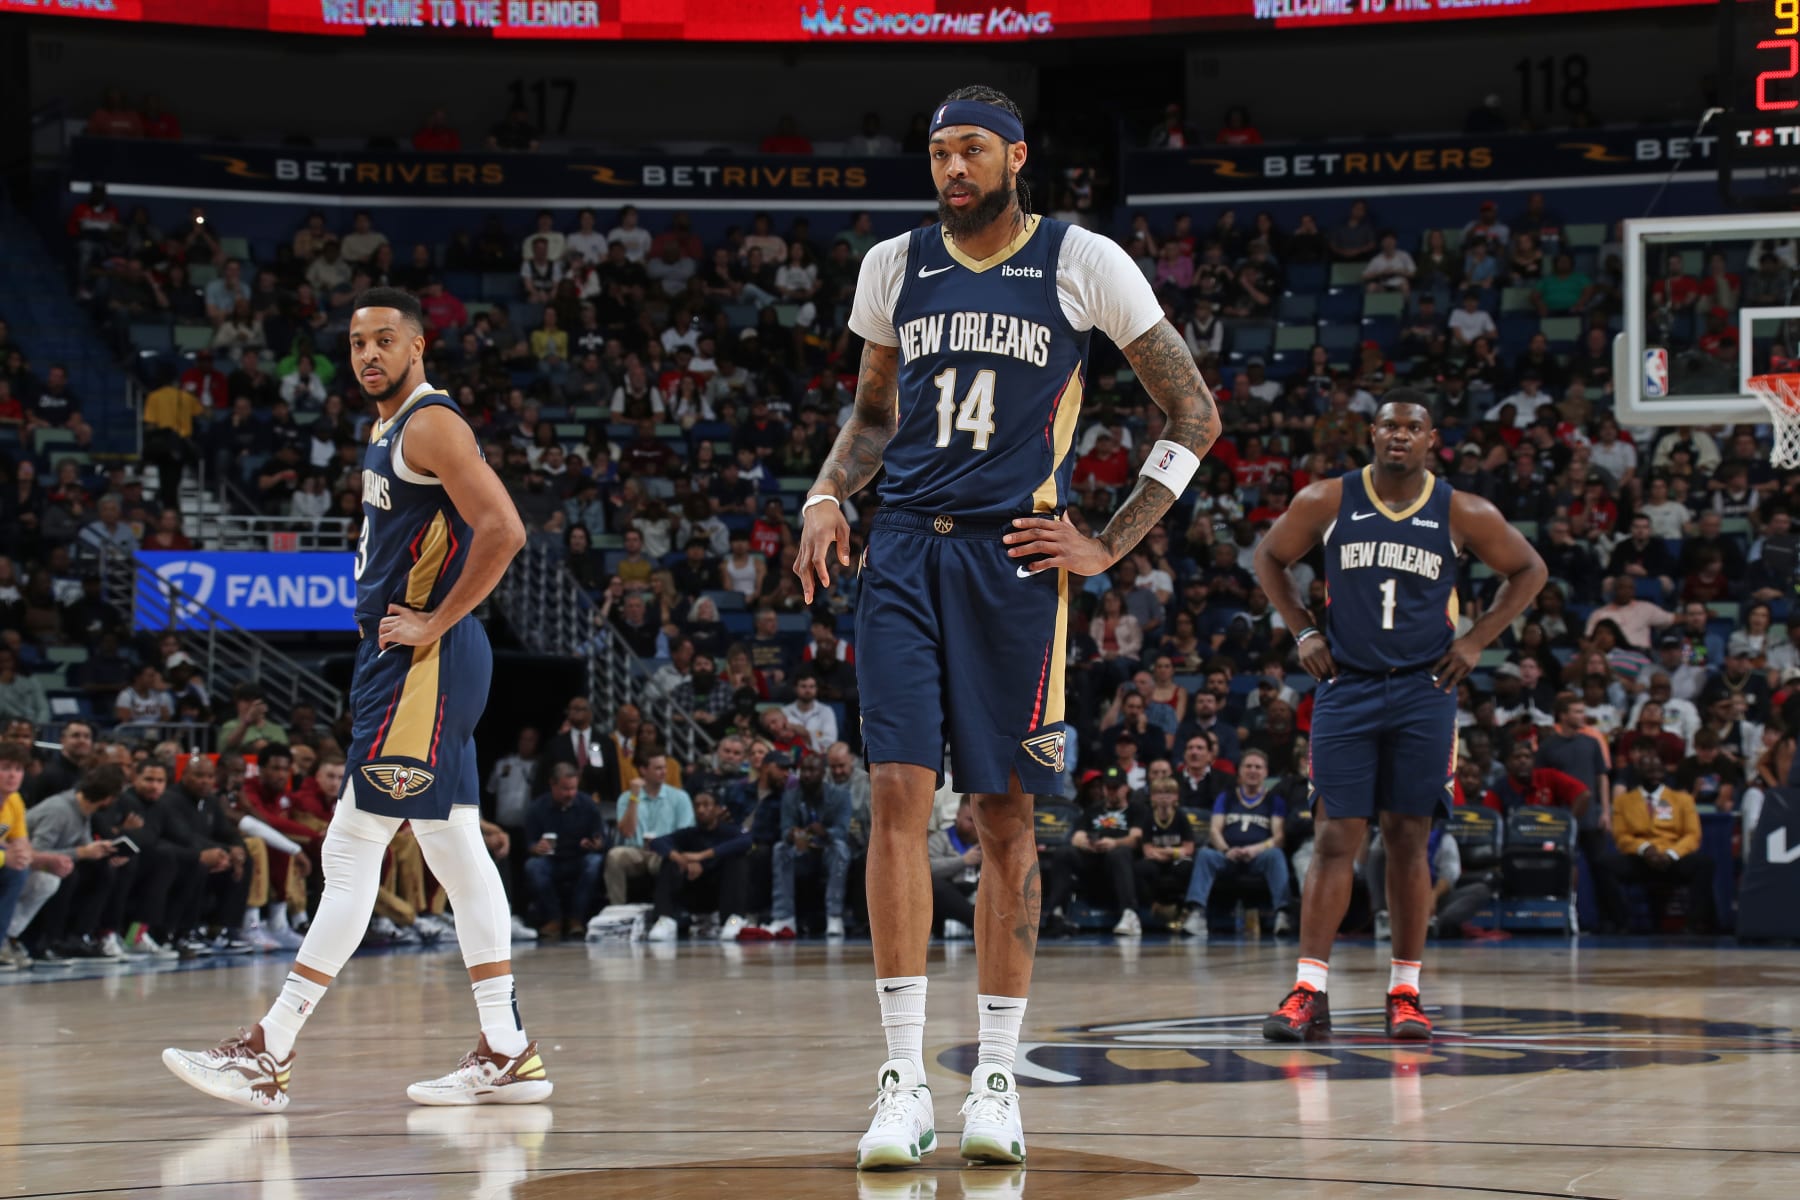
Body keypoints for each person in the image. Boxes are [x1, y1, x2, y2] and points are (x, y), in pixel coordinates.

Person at [795, 85, 1218, 1169]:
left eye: (971, 151)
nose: (951, 171)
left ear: (1016, 157)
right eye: (939, 154)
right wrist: (825, 494)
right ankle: (900, 1082)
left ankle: (993, 1078)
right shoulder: (893, 263)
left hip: (1015, 558)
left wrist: (1112, 542)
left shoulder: (1083, 260)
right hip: (900, 550)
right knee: (895, 790)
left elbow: (1195, 413)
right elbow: (875, 414)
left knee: (1002, 816)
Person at [163, 287, 551, 1112]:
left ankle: (269, 1049)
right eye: (355, 343)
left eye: (384, 341)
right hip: (415, 661)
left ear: (417, 347)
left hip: (424, 663)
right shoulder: (386, 427)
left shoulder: (429, 423)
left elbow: (506, 530)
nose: (368, 354)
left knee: (349, 852)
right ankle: (508, 1049)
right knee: (453, 850)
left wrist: (437, 620)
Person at [1256, 392, 1546, 1045]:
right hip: (1346, 685)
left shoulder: (1462, 510)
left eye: (1413, 426)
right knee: (1335, 839)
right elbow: (1269, 558)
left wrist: (1475, 640)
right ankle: (1309, 991)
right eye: (1390, 424)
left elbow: (1529, 570)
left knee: (1410, 839)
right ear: (1373, 433)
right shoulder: (1326, 500)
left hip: (1424, 689)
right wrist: (1302, 630)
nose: (1399, 435)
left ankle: (1405, 993)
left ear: (1430, 439)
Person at [1180, 749, 1289, 939]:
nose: (1253, 771)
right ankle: (1196, 913)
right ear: (1239, 770)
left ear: (1265, 772)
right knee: (1205, 854)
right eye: (1248, 766)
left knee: (1276, 854)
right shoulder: (1227, 797)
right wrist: (1226, 850)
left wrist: (1255, 850)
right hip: (1228, 856)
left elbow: (1279, 837)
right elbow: (1214, 830)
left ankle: (1283, 914)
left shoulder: (1274, 800)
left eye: (1258, 767)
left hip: (1258, 858)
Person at [1612, 744, 1716, 933]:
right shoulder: (1623, 801)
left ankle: (1694, 925)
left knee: (1704, 864)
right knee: (1605, 864)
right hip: (1640, 858)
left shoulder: (1682, 799)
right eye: (1648, 768)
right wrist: (1645, 849)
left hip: (1672, 857)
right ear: (1638, 770)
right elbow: (1621, 836)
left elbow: (1693, 835)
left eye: (1658, 768)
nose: (1654, 772)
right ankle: (1620, 923)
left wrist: (1671, 854)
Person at [643, 791, 752, 942]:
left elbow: (747, 841)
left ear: (718, 809)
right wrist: (681, 859)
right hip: (693, 892)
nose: (700, 810)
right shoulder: (689, 833)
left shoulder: (729, 831)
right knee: (669, 860)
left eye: (706, 805)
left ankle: (733, 921)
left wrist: (702, 856)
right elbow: (657, 842)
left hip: (721, 894)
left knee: (737, 860)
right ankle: (665, 919)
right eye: (697, 806)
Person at [523, 764, 606, 941]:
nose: (570, 793)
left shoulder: (588, 805)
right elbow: (529, 843)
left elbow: (601, 838)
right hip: (552, 860)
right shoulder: (538, 808)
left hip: (579, 858)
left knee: (594, 862)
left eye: (573, 788)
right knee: (533, 866)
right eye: (565, 789)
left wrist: (595, 843)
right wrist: (536, 848)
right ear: (552, 784)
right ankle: (554, 919)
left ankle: (576, 918)